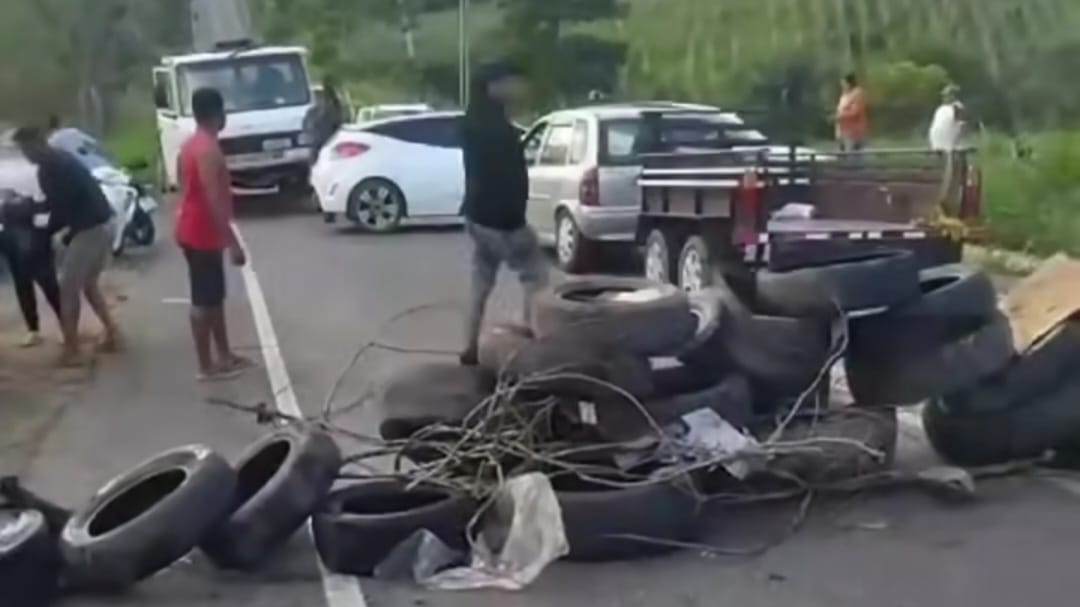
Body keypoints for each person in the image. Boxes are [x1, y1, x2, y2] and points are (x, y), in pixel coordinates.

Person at [459, 60, 549, 366]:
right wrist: (515, 224)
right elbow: (506, 180)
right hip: (502, 220)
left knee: (481, 282)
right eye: (513, 81)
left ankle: (469, 346)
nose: (519, 88)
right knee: (536, 277)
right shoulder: (500, 131)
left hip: (476, 217)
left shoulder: (471, 123)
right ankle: (535, 344)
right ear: (494, 87)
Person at [12, 126, 121, 365]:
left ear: (39, 143)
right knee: (88, 285)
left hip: (91, 228)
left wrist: (36, 222)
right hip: (100, 223)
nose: (27, 155)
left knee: (67, 286)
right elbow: (64, 205)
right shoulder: (60, 160)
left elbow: (59, 211)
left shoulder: (52, 168)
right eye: (23, 150)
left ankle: (72, 349)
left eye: (28, 148)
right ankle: (112, 332)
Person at [176, 88, 255, 381]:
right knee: (202, 301)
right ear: (217, 114)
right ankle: (205, 367)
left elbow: (183, 187)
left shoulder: (191, 144)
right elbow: (213, 199)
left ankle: (224, 354)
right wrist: (233, 241)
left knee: (213, 297)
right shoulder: (207, 150)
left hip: (194, 228)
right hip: (201, 232)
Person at [0, 191, 61, 347]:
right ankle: (34, 330)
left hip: (36, 249)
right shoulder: (9, 202)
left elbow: (47, 219)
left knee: (49, 289)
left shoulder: (34, 197)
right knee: (27, 290)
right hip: (20, 251)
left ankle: (63, 325)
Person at [303, 77, 347, 165]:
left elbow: (341, 123)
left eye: (320, 97)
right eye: (317, 97)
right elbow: (307, 129)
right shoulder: (312, 112)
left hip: (332, 145)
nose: (319, 99)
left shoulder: (332, 110)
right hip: (318, 147)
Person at [46, 115, 114, 172]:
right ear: (60, 123)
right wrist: (105, 152)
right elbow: (92, 142)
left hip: (76, 168)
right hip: (91, 160)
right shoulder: (72, 131)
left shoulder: (51, 141)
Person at [835, 72, 868, 152]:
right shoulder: (844, 95)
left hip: (853, 133)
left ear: (849, 83)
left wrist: (840, 116)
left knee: (852, 158)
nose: (842, 85)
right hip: (843, 132)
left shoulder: (857, 94)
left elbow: (855, 112)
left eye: (844, 83)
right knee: (843, 157)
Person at [929, 84, 967, 152]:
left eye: (946, 95)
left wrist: (956, 143)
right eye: (943, 96)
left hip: (951, 145)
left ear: (953, 96)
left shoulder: (957, 107)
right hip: (938, 144)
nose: (944, 97)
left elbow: (962, 125)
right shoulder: (941, 108)